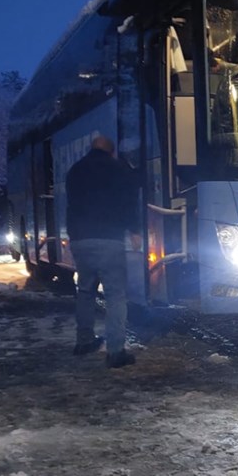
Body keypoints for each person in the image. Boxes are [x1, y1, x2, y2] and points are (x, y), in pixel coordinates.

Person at [65, 135, 141, 369]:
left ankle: (84, 340)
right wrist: (135, 231)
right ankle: (115, 351)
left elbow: (72, 203)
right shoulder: (119, 169)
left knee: (85, 291)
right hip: (109, 239)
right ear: (111, 151)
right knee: (115, 295)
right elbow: (129, 202)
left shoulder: (75, 170)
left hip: (80, 239)